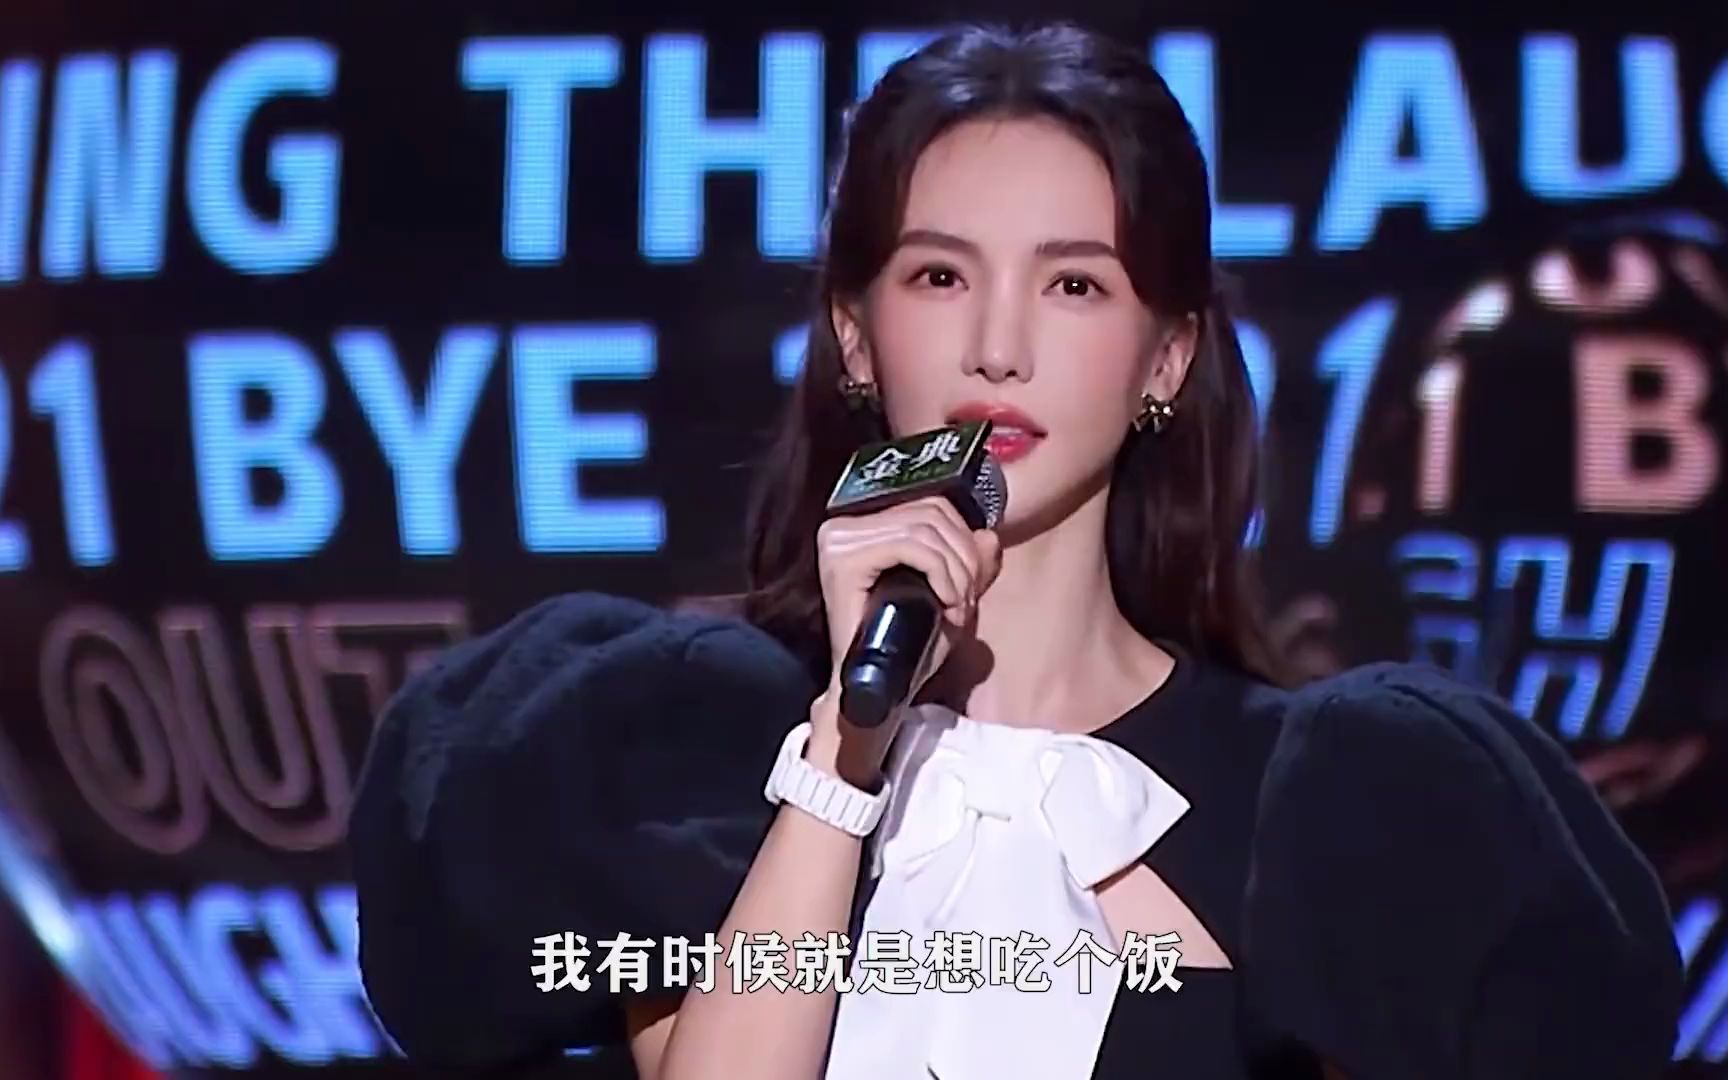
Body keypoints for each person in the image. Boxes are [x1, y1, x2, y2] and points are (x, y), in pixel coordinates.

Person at [347, 23, 1685, 1079]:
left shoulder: (1322, 808)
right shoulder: (690, 755)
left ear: (1167, 356)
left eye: (1074, 283)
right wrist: (842, 762)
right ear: (856, 334)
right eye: (940, 276)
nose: (999, 346)